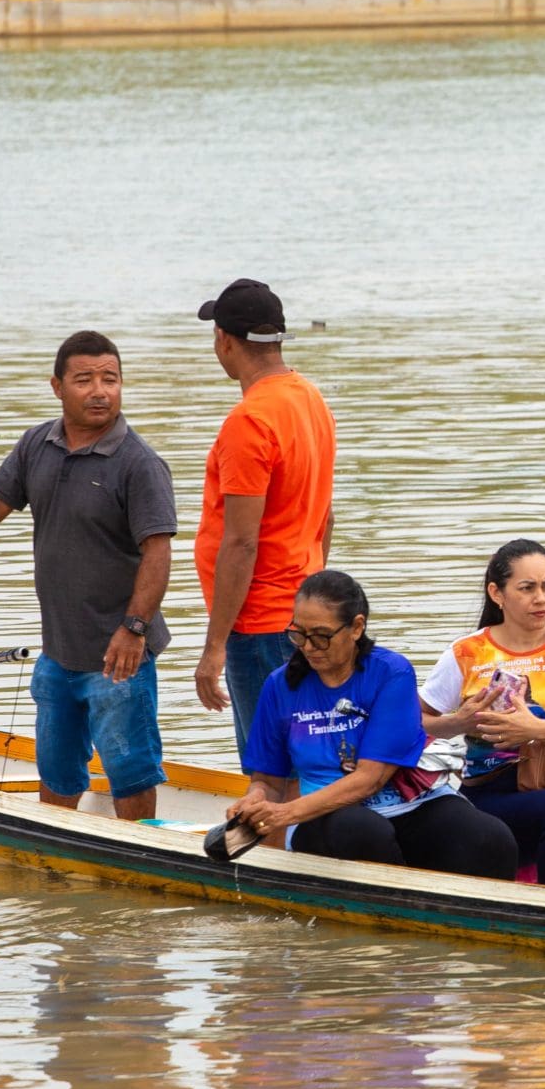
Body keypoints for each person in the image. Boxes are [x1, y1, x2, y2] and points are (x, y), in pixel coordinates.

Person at [0, 330, 174, 821]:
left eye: (110, 379)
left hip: (120, 656)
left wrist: (134, 628)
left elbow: (158, 553)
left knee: (132, 773)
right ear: (57, 387)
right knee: (56, 774)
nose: (99, 391)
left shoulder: (139, 463)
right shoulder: (38, 444)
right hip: (58, 654)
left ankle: (142, 851)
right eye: (84, 379)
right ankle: (55, 851)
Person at [226, 571, 518, 879]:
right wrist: (255, 800)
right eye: (299, 635)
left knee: (491, 839)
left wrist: (283, 812)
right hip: (325, 816)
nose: (308, 647)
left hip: (408, 804)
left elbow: (370, 779)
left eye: (321, 636)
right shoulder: (279, 686)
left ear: (356, 627)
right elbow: (269, 781)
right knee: (362, 830)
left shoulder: (391, 673)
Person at [191, 278, 337, 760]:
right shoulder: (310, 399)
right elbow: (325, 515)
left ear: (224, 340)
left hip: (259, 624)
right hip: (304, 611)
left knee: (270, 766)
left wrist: (214, 647)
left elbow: (241, 542)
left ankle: (280, 816)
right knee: (305, 753)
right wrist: (311, 593)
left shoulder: (250, 421)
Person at [420, 539, 545, 888]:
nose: (542, 599)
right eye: (527, 588)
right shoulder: (466, 653)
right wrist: (458, 722)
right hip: (489, 793)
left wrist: (533, 729)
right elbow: (413, 722)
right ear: (497, 593)